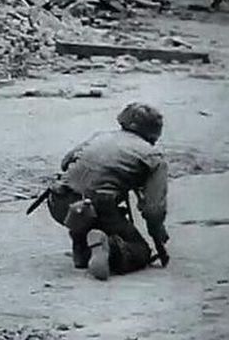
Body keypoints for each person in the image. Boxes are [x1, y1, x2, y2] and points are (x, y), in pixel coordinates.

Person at [47, 103, 169, 280]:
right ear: (154, 132)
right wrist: (158, 232)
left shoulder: (101, 137)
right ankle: (109, 249)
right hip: (97, 209)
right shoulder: (153, 158)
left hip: (59, 203)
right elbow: (153, 209)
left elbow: (66, 162)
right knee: (139, 251)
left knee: (91, 210)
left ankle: (83, 247)